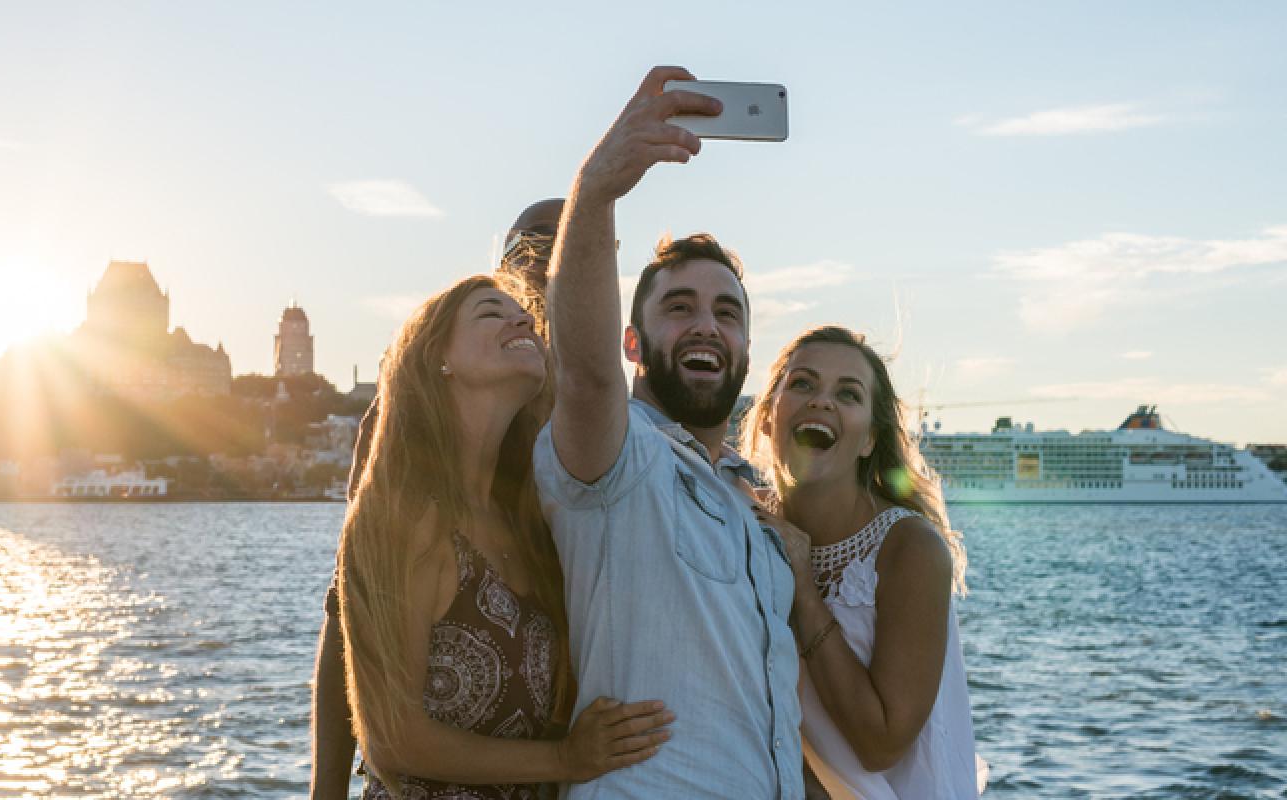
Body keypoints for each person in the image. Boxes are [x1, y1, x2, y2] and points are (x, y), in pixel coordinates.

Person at [535, 65, 805, 798]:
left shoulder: (750, 504)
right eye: (679, 306)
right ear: (632, 343)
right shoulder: (619, 461)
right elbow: (585, 378)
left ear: (746, 348)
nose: (706, 325)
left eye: (728, 313)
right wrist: (597, 189)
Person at [333, 274, 673, 799]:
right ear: (435, 358)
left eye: (526, 316)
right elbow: (392, 740)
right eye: (492, 313)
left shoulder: (530, 519)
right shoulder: (407, 513)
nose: (522, 321)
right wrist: (566, 758)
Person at [310, 200, 566, 799]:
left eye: (575, 249)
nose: (546, 272)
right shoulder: (405, 459)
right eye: (531, 254)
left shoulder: (598, 423)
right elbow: (348, 613)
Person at [745, 326, 982, 798]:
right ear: (769, 416)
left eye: (847, 393)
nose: (822, 401)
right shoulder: (743, 523)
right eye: (803, 384)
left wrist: (805, 594)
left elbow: (882, 744)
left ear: (870, 439)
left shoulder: (909, 548)